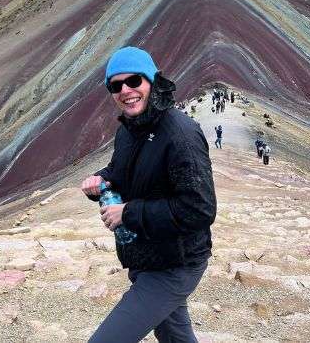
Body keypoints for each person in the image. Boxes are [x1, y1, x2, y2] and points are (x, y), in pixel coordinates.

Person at [81, 47, 216, 343]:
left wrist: (127, 213)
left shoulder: (180, 134)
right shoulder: (129, 130)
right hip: (148, 257)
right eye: (116, 85)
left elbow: (199, 209)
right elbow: (120, 172)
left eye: (134, 81)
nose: (126, 90)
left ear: (152, 81)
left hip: (174, 265)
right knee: (175, 337)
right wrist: (100, 180)